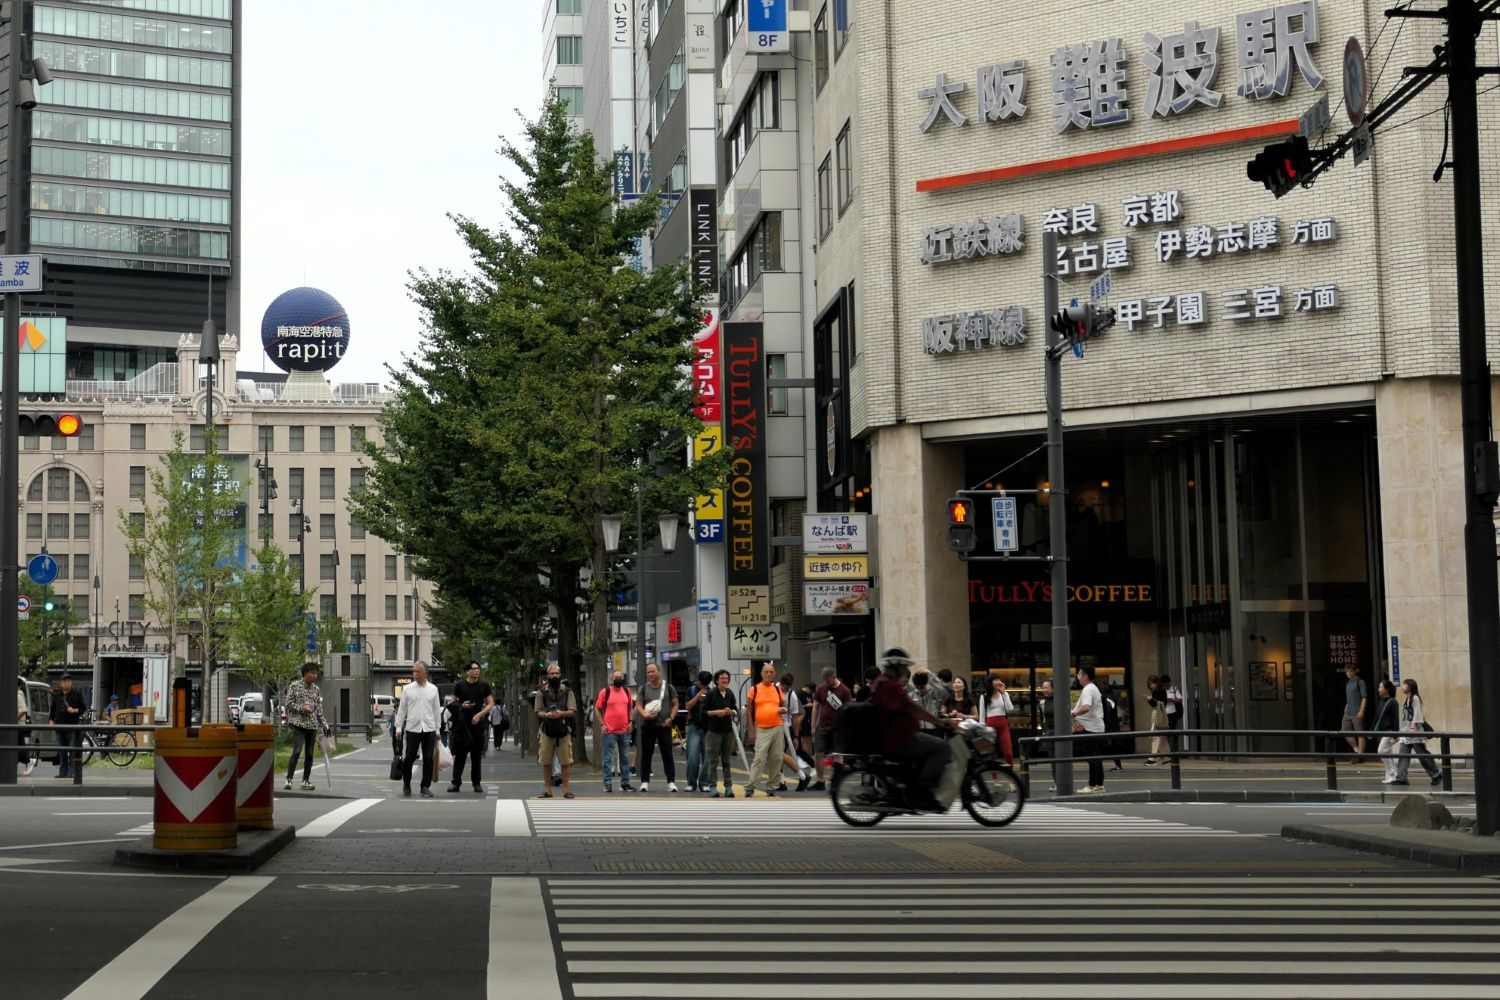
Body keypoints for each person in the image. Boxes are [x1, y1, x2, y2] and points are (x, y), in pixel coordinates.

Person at [872, 648, 953, 810]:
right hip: (901, 739)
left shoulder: (883, 683)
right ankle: (923, 791)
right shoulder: (890, 686)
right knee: (941, 747)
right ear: (895, 666)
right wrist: (938, 721)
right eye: (903, 667)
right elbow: (912, 708)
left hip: (901, 736)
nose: (905, 671)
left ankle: (914, 788)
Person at [394, 662, 442, 797]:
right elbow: (402, 709)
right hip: (412, 728)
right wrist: (398, 727)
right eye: (413, 671)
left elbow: (436, 711)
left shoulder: (433, 689)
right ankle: (407, 783)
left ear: (425, 673)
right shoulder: (407, 689)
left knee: (428, 759)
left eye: (418, 672)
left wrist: (437, 730)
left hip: (429, 729)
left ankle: (425, 786)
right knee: (409, 758)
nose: (415, 674)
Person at [447, 661, 494, 793]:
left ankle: (476, 783)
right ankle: (456, 783)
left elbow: (491, 703)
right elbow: (452, 703)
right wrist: (462, 705)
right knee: (460, 756)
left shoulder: (484, 685)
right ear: (467, 671)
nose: (476, 671)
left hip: (477, 725)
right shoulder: (459, 685)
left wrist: (480, 714)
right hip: (462, 726)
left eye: (478, 669)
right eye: (473, 669)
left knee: (476, 756)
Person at [533, 662, 577, 798]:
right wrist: (547, 714)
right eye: (552, 674)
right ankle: (547, 790)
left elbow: (572, 711)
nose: (554, 676)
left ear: (560, 674)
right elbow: (538, 711)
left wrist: (561, 713)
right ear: (548, 675)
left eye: (557, 673)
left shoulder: (568, 691)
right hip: (546, 730)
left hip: (563, 731)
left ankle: (566, 790)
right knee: (546, 761)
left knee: (566, 762)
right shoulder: (541, 692)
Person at [744, 662, 788, 798]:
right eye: (766, 672)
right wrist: (751, 730)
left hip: (778, 726)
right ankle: (751, 786)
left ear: (774, 674)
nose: (769, 674)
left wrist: (783, 709)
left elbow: (783, 704)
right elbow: (749, 710)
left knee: (777, 758)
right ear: (762, 674)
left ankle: (772, 786)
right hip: (762, 728)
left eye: (771, 672)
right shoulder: (754, 689)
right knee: (759, 758)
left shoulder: (777, 689)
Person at [634, 662, 678, 793]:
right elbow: (639, 705)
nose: (650, 674)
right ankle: (644, 782)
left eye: (653, 671)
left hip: (664, 726)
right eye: (648, 672)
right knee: (646, 755)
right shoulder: (643, 689)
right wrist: (644, 715)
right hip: (647, 726)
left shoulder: (669, 688)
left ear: (659, 672)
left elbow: (675, 704)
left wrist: (671, 718)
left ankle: (671, 782)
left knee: (667, 754)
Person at [283, 663, 328, 791]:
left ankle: (305, 781)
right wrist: (303, 708)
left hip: (312, 725)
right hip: (298, 724)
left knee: (309, 753)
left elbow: (318, 709)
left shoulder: (316, 689)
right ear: (306, 673)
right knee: (297, 751)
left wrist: (324, 722)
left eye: (316, 673)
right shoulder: (295, 686)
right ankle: (289, 779)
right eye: (313, 673)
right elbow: (289, 704)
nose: (315, 675)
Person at [1395, 678, 1442, 786]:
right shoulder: (1408, 698)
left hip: (1414, 731)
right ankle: (1401, 777)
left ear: (1410, 687)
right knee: (1403, 754)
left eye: (1404, 684)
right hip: (1406, 732)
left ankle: (1436, 775)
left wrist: (1412, 726)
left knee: (1422, 755)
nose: (1402, 686)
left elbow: (1417, 714)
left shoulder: (1415, 698)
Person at [811, 666, 851, 791]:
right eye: (825, 681)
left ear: (834, 677)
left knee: (837, 754)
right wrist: (813, 725)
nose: (826, 683)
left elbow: (848, 709)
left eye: (828, 680)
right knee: (818, 752)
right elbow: (816, 707)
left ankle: (837, 781)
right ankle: (820, 780)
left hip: (838, 727)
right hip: (823, 725)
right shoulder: (821, 688)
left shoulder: (844, 690)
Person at [595, 670, 636, 792]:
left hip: (624, 730)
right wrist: (602, 724)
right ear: (612, 679)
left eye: (621, 677)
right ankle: (607, 783)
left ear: (624, 678)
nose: (618, 679)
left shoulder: (627, 691)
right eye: (616, 677)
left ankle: (625, 783)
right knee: (608, 758)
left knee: (625, 758)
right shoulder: (605, 692)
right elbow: (597, 709)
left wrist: (631, 721)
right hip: (609, 731)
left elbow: (630, 707)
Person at [1071, 665, 1105, 793]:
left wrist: (1074, 714)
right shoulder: (1093, 688)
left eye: (1079, 674)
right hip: (1095, 727)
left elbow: (1086, 707)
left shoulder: (1088, 690)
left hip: (1091, 728)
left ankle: (1093, 785)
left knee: (1091, 757)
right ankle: (1098, 785)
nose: (1078, 677)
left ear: (1085, 676)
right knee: (1095, 757)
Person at [704, 669, 738, 797]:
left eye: (726, 678)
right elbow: (704, 712)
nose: (725, 680)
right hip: (714, 731)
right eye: (722, 678)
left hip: (727, 731)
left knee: (726, 760)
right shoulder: (711, 693)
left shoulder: (729, 693)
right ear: (717, 680)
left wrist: (732, 712)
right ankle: (712, 786)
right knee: (713, 760)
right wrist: (715, 713)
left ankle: (728, 787)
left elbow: (735, 709)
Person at [49, 672, 86, 779]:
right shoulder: (57, 695)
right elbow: (53, 709)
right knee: (62, 752)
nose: (67, 682)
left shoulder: (77, 695)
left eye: (69, 681)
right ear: (61, 683)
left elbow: (83, 708)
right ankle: (62, 772)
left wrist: (75, 710)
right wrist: (51, 720)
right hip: (59, 727)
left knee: (72, 751)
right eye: (65, 681)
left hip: (72, 727)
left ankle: (71, 772)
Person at [683, 670, 712, 793]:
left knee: (708, 757)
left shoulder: (712, 692)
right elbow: (688, 706)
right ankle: (691, 782)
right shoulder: (692, 690)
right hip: (693, 726)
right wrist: (698, 695)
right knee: (692, 756)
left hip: (708, 727)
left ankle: (704, 782)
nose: (704, 685)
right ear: (699, 681)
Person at [1371, 679, 1401, 784]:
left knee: (1381, 751)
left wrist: (1395, 734)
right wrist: (1371, 730)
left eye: (1380, 687)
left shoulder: (1393, 702)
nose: (1378, 689)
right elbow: (1377, 717)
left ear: (1386, 689)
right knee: (1387, 753)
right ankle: (1391, 775)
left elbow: (1395, 719)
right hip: (1383, 731)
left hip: (1390, 731)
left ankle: (1393, 774)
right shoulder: (1381, 701)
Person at [982, 676, 1014, 765]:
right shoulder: (984, 696)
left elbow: (1010, 709)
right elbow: (982, 716)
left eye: (999, 680)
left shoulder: (1004, 694)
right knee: (991, 754)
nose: (998, 682)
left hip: (1003, 725)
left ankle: (1010, 776)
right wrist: (982, 730)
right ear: (990, 683)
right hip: (989, 727)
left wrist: (1003, 692)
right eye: (995, 680)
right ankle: (994, 778)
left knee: (1008, 754)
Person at [1340, 663, 1369, 758]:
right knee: (1345, 732)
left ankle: (1361, 756)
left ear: (1355, 671)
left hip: (1357, 711)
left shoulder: (1360, 681)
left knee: (1360, 733)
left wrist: (1362, 710)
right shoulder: (1347, 682)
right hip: (1348, 712)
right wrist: (1346, 706)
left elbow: (1364, 697)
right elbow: (1349, 697)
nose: (1349, 673)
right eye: (1347, 671)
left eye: (1351, 671)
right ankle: (1357, 750)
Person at [909, 667, 947, 733]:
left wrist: (930, 673)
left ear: (926, 683)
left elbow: (941, 689)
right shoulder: (911, 695)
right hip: (918, 729)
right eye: (917, 686)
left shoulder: (933, 693)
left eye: (922, 686)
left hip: (933, 728)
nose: (920, 688)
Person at [1145, 676, 1171, 765]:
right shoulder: (1157, 691)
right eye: (1150, 685)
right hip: (1160, 713)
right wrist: (1150, 700)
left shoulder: (1160, 691)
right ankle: (1168, 757)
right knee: (1161, 737)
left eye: (1152, 684)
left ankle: (1153, 758)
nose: (1151, 686)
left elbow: (1160, 704)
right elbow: (1156, 705)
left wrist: (1151, 700)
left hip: (1159, 713)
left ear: (1156, 683)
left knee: (1156, 736)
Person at [15, 678, 34, 776]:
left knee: (18, 747)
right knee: (19, 746)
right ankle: (28, 761)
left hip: (18, 725)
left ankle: (28, 761)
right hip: (16, 726)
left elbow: (23, 710)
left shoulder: (18, 695)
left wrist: (13, 719)